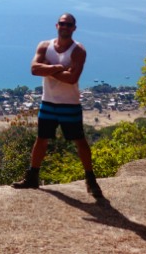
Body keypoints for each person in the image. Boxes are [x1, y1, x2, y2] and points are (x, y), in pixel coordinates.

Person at [11, 12, 104, 199]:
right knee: (41, 139)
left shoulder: (78, 50)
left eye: (69, 24)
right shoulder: (45, 46)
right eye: (62, 23)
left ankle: (90, 179)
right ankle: (32, 176)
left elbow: (72, 78)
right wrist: (59, 68)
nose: (65, 27)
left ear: (74, 28)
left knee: (80, 141)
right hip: (48, 101)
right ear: (57, 25)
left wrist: (47, 68)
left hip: (69, 104)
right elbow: (34, 69)